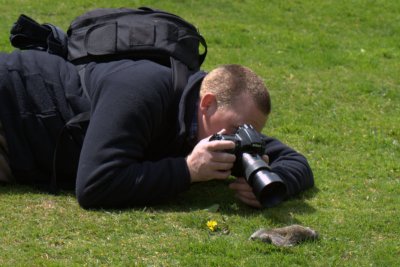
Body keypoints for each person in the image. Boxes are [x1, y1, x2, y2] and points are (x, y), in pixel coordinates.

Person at [0, 49, 314, 209]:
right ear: (206, 104)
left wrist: (276, 182)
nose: (243, 138)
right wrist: (187, 170)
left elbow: (297, 162)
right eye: (237, 128)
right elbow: (95, 185)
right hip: (11, 108)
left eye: (251, 131)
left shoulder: (218, 126)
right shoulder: (143, 90)